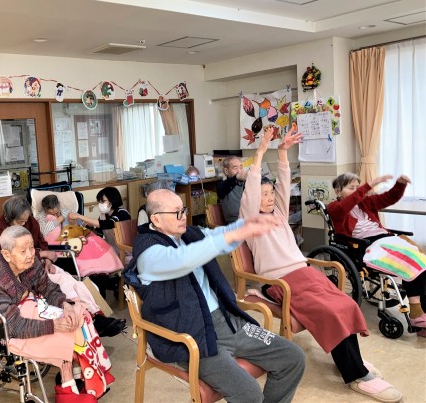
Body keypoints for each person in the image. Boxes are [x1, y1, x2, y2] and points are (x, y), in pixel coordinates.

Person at [239, 126, 402, 403]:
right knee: (331, 312)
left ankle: (352, 361)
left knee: (345, 304)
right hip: (281, 282)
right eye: (263, 194)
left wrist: (283, 151)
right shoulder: (250, 221)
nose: (269, 197)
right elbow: (252, 187)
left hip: (305, 273)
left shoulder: (279, 214)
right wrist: (262, 150)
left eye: (270, 193)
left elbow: (284, 181)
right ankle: (356, 376)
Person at [124, 188, 305, 403]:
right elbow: (182, 259)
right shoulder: (147, 251)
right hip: (192, 335)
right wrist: (234, 234)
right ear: (156, 219)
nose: (183, 217)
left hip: (226, 320)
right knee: (249, 393)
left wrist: (245, 227)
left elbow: (216, 236)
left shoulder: (188, 234)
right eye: (177, 213)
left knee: (293, 357)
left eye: (184, 210)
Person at [0, 225, 114, 400]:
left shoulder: (30, 262)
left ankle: (82, 376)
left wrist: (65, 304)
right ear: (6, 254)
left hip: (21, 305)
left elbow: (48, 287)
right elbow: (13, 326)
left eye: (31, 248)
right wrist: (53, 325)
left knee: (78, 314)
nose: (30, 254)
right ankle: (68, 383)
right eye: (23, 251)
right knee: (63, 331)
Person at [0, 195, 125, 337]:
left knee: (71, 280)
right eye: (20, 221)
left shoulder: (30, 221)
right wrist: (44, 254)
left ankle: (95, 315)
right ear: (8, 217)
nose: (24, 224)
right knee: (62, 284)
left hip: (39, 264)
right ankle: (92, 319)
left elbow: (42, 241)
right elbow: (16, 257)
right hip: (23, 272)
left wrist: (48, 260)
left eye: (25, 220)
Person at [328, 172, 426, 337]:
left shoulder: (365, 203)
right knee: (411, 265)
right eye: (351, 188)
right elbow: (346, 205)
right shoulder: (334, 207)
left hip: (386, 238)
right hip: (366, 245)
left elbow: (389, 198)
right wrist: (369, 186)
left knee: (422, 263)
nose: (356, 191)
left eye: (357, 187)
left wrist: (400, 184)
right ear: (338, 191)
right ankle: (416, 315)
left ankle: (422, 315)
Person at [217, 155, 248, 224]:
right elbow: (222, 189)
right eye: (235, 168)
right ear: (226, 171)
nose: (239, 171)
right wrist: (236, 177)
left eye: (241, 167)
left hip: (249, 219)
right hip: (235, 223)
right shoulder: (223, 183)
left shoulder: (245, 182)